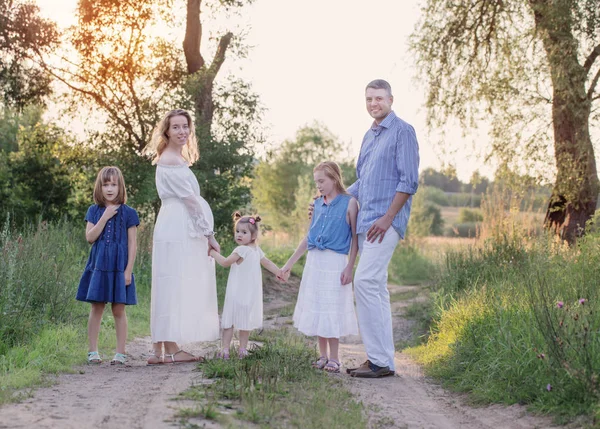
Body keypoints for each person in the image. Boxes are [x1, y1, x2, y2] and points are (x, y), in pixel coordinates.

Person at [343, 79, 420, 378]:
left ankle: (377, 361)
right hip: (366, 222)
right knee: (375, 287)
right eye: (369, 99)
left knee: (364, 281)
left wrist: (389, 218)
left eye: (379, 98)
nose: (374, 103)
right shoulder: (369, 135)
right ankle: (384, 360)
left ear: (391, 99)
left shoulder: (403, 132)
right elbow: (362, 182)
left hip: (385, 222)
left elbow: (408, 181)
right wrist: (332, 198)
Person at [143, 109, 220, 365]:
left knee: (169, 282)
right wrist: (209, 234)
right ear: (166, 131)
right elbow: (191, 202)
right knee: (174, 282)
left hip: (171, 222)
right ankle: (171, 348)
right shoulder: (171, 160)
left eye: (185, 126)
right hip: (178, 226)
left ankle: (161, 347)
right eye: (176, 127)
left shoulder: (170, 158)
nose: (182, 131)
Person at [281, 161, 359, 373]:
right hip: (315, 262)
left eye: (322, 181)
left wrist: (349, 268)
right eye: (317, 183)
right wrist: (288, 264)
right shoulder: (316, 204)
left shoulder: (350, 203)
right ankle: (322, 355)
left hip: (335, 262)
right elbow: (309, 237)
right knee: (318, 306)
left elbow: (355, 239)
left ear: (334, 178)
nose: (320, 186)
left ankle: (335, 357)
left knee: (331, 307)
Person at [76, 166, 139, 365]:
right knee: (97, 307)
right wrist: (104, 217)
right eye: (106, 184)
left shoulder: (129, 213)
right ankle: (93, 351)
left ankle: (120, 352)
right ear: (99, 187)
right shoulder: (93, 211)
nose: (110, 188)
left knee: (119, 309)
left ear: (120, 186)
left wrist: (128, 271)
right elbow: (90, 237)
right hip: (99, 266)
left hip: (120, 267)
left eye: (114, 184)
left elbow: (132, 244)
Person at [209, 213, 282, 359]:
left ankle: (229, 349)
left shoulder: (245, 250)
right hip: (246, 294)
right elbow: (266, 263)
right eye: (237, 232)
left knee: (233, 322)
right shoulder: (249, 250)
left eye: (244, 232)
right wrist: (279, 272)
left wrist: (212, 252)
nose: (239, 235)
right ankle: (237, 349)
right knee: (242, 322)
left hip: (239, 293)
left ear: (253, 235)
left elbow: (225, 262)